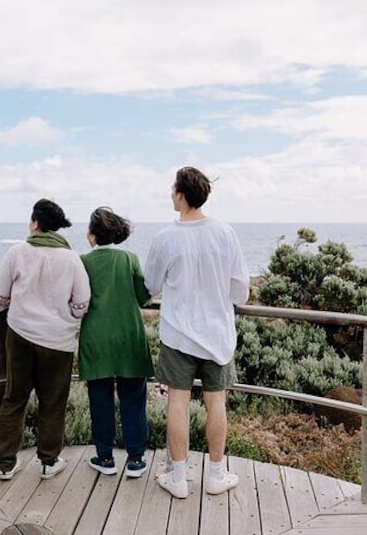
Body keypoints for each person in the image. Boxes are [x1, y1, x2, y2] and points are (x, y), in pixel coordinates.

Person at [144, 166, 250, 499]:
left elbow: (151, 285)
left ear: (181, 194)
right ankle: (217, 474)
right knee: (216, 403)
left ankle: (178, 478)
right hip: (218, 335)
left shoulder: (165, 238)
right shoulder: (225, 233)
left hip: (178, 335)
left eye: (172, 188)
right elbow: (241, 291)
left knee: (178, 403)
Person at [0, 198, 91, 481]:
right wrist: (67, 317)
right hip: (58, 341)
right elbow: (82, 302)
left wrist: (1, 311)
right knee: (53, 401)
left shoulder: (18, 251)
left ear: (35, 223)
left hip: (20, 336)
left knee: (14, 399)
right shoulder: (72, 258)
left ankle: (6, 464)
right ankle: (48, 462)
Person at [78, 207, 155, 478]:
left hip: (97, 338)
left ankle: (105, 456)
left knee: (100, 399)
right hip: (129, 337)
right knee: (133, 398)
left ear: (92, 235)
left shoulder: (83, 262)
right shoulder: (130, 258)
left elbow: (78, 299)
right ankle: (135, 459)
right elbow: (143, 296)